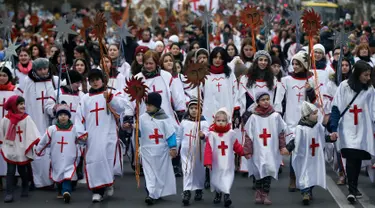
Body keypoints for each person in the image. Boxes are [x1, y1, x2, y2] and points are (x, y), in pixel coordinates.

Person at [75, 69, 129, 202]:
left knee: (107, 159)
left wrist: (110, 99)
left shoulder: (111, 93)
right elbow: (79, 117)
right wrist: (81, 133)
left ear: (102, 80)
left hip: (108, 133)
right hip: (92, 135)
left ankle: (108, 183)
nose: (95, 82)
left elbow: (122, 107)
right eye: (92, 80)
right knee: (94, 161)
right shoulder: (85, 98)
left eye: (97, 79)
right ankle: (97, 191)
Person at [329, 60, 375, 204]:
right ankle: (351, 189)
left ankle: (353, 187)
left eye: (369, 75)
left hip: (363, 129)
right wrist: (334, 128)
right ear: (357, 74)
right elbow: (336, 108)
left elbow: (374, 110)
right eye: (365, 75)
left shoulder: (370, 90)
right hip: (347, 128)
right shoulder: (344, 87)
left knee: (357, 158)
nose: (368, 78)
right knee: (350, 157)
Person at [287, 101, 337, 205]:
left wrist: (330, 138)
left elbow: (322, 137)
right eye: (314, 113)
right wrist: (288, 148)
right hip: (304, 156)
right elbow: (294, 140)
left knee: (313, 174)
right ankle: (305, 193)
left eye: (316, 112)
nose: (317, 115)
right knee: (304, 174)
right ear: (306, 115)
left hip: (314, 157)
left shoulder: (317, 126)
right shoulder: (300, 128)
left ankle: (309, 191)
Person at [244, 92, 288, 205]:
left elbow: (280, 132)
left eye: (267, 99)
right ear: (258, 102)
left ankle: (265, 193)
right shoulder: (253, 117)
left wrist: (282, 146)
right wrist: (248, 150)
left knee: (269, 169)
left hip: (271, 149)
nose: (266, 101)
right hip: (258, 149)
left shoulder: (275, 116)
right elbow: (249, 134)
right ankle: (258, 191)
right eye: (263, 100)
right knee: (258, 171)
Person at [17, 57, 55, 188]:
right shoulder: (28, 81)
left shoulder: (51, 81)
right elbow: (25, 99)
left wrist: (53, 109)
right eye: (40, 69)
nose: (43, 71)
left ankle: (48, 180)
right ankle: (36, 180)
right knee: (35, 150)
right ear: (35, 70)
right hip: (33, 119)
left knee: (47, 150)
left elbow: (51, 99)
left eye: (45, 68)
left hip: (46, 120)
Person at [35, 104, 83, 204]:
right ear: (57, 117)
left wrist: (84, 140)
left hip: (70, 157)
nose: (63, 117)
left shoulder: (74, 129)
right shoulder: (52, 129)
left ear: (69, 116)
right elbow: (44, 141)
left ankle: (66, 191)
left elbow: (81, 139)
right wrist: (38, 150)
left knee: (68, 174)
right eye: (60, 115)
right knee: (58, 174)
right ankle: (61, 190)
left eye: (65, 115)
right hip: (56, 156)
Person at [204, 108, 250, 207]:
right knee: (217, 178)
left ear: (227, 121)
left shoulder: (231, 134)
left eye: (223, 121)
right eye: (218, 120)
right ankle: (218, 193)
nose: (221, 123)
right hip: (216, 162)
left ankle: (227, 195)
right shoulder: (212, 135)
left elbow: (236, 146)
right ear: (214, 121)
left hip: (228, 162)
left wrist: (244, 152)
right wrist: (208, 161)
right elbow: (208, 149)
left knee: (227, 177)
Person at [139, 92, 178, 205]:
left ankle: (156, 192)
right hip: (147, 150)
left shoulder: (165, 119)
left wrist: (173, 147)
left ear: (157, 105)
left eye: (150, 105)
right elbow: (139, 134)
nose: (147, 107)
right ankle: (151, 194)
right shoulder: (142, 118)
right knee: (149, 173)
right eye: (146, 104)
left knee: (159, 174)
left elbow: (170, 134)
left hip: (161, 151)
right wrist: (134, 128)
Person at [0, 95, 40, 203]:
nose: (23, 106)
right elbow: (2, 131)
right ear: (14, 105)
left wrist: (35, 142)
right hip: (11, 148)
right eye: (20, 104)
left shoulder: (26, 118)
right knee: (10, 171)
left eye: (23, 103)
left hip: (22, 147)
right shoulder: (6, 119)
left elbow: (32, 131)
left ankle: (25, 186)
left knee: (22, 170)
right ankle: (9, 193)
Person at [177, 98, 209, 205]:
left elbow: (207, 135)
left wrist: (203, 135)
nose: (194, 110)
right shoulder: (184, 122)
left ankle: (199, 189)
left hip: (199, 152)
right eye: (191, 108)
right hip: (186, 151)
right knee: (187, 170)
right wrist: (175, 148)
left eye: (196, 108)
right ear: (188, 109)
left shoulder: (203, 122)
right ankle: (186, 191)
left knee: (198, 171)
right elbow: (179, 136)